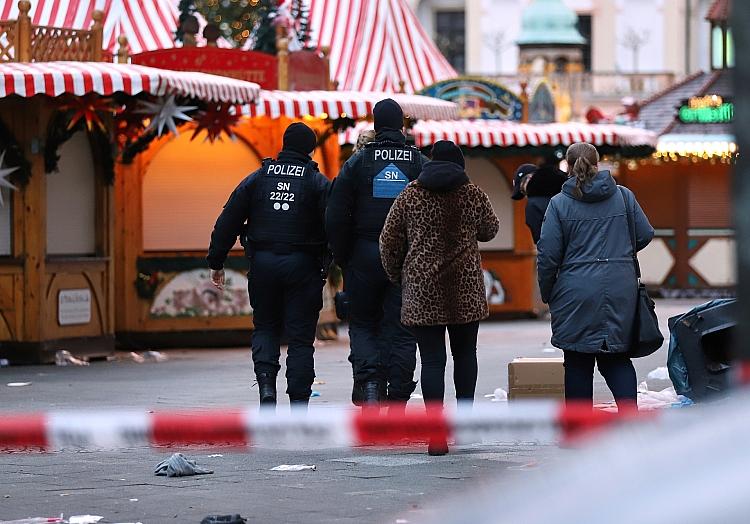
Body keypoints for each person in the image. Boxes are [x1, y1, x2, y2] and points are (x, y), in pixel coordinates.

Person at [380, 141, 499, 455]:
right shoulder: (473, 194)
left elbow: (388, 242)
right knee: (465, 355)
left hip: (423, 289)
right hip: (464, 288)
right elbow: (491, 230)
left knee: (432, 360)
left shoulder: (410, 195)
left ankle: (436, 436)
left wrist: (399, 277)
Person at [207, 122, 330, 409]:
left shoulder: (259, 177)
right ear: (310, 149)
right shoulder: (317, 182)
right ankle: (299, 402)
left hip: (262, 264)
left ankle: (266, 390)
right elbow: (334, 224)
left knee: (266, 328)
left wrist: (216, 260)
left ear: (284, 145)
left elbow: (229, 218)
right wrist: (335, 260)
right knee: (300, 338)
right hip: (304, 266)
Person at [326, 98, 428, 409]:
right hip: (406, 258)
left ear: (375, 124)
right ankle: (397, 398)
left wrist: (344, 257)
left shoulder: (357, 163)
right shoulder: (418, 162)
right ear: (402, 125)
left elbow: (335, 214)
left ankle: (370, 387)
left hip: (364, 253)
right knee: (402, 328)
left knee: (363, 322)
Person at [536, 142, 654, 408]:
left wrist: (547, 291)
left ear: (567, 166)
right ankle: (630, 420)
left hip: (574, 290)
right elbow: (645, 234)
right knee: (617, 357)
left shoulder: (559, 204)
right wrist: (620, 251)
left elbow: (548, 255)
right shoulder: (623, 196)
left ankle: (579, 431)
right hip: (620, 287)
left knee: (577, 360)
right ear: (598, 163)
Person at [511, 160, 567, 244]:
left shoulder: (534, 205)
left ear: (529, 178)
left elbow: (543, 242)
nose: (526, 196)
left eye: (523, 190)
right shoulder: (569, 188)